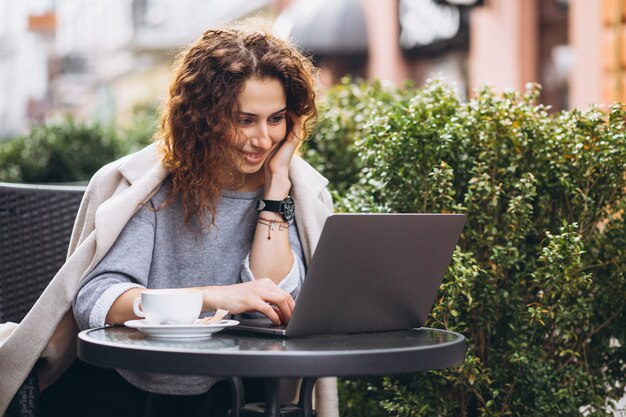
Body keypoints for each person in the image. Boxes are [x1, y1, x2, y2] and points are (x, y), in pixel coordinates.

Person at [0, 22, 338, 417]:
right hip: (129, 387)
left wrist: (277, 186)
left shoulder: (295, 189)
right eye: (244, 120)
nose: (263, 140)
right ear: (205, 118)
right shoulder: (154, 186)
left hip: (240, 387)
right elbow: (97, 300)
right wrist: (210, 297)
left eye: (276, 119)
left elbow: (272, 303)